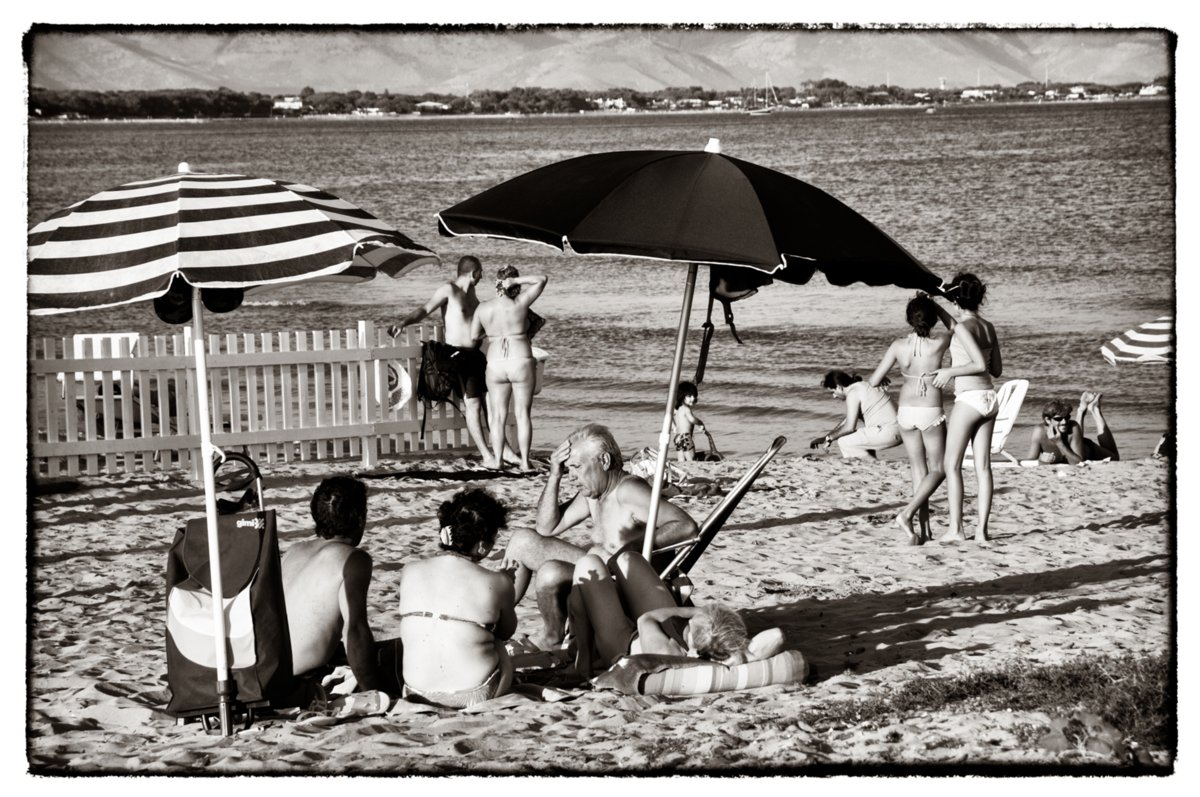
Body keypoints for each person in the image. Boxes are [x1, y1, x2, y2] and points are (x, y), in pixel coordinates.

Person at [500, 423, 700, 647]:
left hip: (623, 584)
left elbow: (686, 526)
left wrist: (633, 547)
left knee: (551, 572)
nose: (572, 476)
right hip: (598, 570)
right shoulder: (593, 494)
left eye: (576, 467)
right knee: (522, 541)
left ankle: (552, 637)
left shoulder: (629, 490)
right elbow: (547, 528)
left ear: (604, 461)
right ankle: (496, 622)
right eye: (568, 469)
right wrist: (554, 475)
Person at [388, 255, 517, 467]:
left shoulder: (474, 295)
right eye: (481, 272)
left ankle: (506, 452)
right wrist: (403, 323)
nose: (482, 276)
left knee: (491, 406)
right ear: (473, 272)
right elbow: (425, 309)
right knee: (474, 405)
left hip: (476, 356)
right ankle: (487, 455)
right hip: (457, 356)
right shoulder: (449, 290)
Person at [568, 550, 782, 677]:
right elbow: (777, 635)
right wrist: (741, 651)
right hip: (669, 629)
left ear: (694, 645)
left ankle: (584, 655)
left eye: (695, 620)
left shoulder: (668, 651)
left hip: (623, 641)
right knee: (628, 558)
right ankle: (615, 592)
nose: (693, 618)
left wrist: (689, 610)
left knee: (589, 563)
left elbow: (647, 619)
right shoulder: (722, 648)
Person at [397, 488, 518, 709]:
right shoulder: (497, 582)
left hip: (415, 691)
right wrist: (506, 585)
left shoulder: (410, 570)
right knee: (496, 640)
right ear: (482, 544)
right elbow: (507, 631)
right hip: (475, 694)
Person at [281, 475, 381, 693]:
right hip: (300, 678)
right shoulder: (353, 559)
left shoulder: (293, 551)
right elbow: (355, 630)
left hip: (268, 668)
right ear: (361, 518)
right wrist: (373, 690)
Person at [868, 294, 953, 545]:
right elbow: (955, 327)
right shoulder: (939, 343)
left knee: (919, 470)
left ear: (909, 319)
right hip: (930, 409)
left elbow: (873, 381)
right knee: (939, 469)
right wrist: (936, 305)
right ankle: (906, 514)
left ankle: (924, 531)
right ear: (932, 319)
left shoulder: (897, 345)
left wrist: (885, 379)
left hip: (905, 411)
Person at [929, 272, 1003, 545]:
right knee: (983, 467)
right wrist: (937, 306)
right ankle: (982, 532)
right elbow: (996, 370)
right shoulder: (989, 326)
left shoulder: (961, 327)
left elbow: (980, 366)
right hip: (990, 400)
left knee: (952, 465)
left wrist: (949, 371)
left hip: (969, 399)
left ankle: (956, 529)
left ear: (956, 299)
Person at [470, 265, 548, 471]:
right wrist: (517, 281)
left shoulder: (483, 308)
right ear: (513, 284)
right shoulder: (520, 303)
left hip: (495, 363)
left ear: (496, 284)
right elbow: (542, 279)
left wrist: (493, 334)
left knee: (497, 416)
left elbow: (473, 337)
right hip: (520, 360)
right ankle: (524, 462)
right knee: (522, 414)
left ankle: (497, 461)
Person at [809, 370, 902, 459]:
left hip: (889, 432)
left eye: (833, 392)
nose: (834, 396)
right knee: (857, 440)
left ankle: (871, 465)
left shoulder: (853, 392)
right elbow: (846, 422)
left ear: (839, 387)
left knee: (844, 442)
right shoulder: (861, 387)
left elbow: (849, 427)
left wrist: (829, 438)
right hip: (900, 431)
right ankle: (872, 464)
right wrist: (826, 437)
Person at [1025, 392, 1119, 464]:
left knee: (1115, 458)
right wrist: (1041, 460)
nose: (1064, 422)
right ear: (1048, 420)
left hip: (1088, 450)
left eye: (1067, 417)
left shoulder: (1073, 426)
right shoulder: (1039, 431)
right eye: (1059, 419)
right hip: (1074, 443)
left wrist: (1059, 443)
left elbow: (1079, 463)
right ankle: (1082, 410)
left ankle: (1095, 410)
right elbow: (1030, 461)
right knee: (1072, 429)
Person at [672, 381, 706, 462]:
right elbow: (692, 419)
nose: (693, 398)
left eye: (694, 396)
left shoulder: (677, 409)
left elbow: (670, 416)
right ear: (682, 396)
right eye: (689, 396)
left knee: (681, 459)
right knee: (691, 459)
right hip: (686, 438)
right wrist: (701, 423)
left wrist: (674, 427)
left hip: (678, 437)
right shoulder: (686, 409)